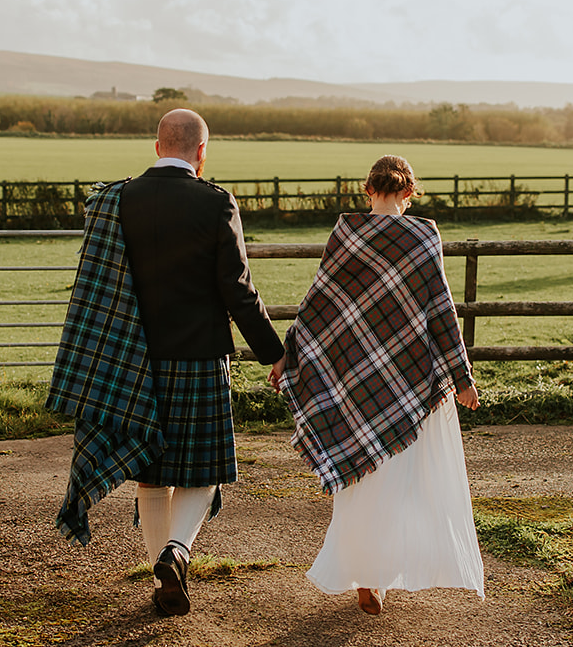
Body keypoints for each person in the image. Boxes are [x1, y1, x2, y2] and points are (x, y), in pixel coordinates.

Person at [51, 108, 285, 617]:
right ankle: (176, 554)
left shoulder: (117, 201)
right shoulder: (216, 203)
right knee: (202, 472)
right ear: (202, 152)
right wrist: (275, 352)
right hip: (199, 358)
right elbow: (237, 290)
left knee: (151, 473)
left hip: (131, 360)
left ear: (158, 145)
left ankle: (161, 580)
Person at [270, 155, 484, 615]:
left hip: (352, 380)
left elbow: (317, 306)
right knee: (400, 482)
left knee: (362, 478)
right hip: (409, 379)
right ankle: (378, 576)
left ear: (368, 190)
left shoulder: (346, 232)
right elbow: (441, 311)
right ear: (409, 193)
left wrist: (290, 357)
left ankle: (367, 576)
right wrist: (461, 378)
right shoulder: (423, 236)